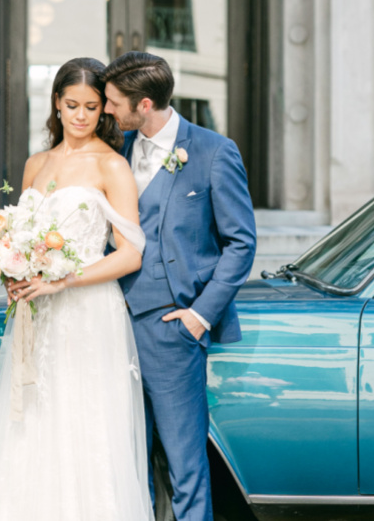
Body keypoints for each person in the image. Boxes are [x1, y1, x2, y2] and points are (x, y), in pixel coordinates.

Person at [0, 57, 154, 521]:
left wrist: (60, 281)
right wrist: (11, 269)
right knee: (31, 424)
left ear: (104, 110)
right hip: (38, 315)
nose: (81, 116)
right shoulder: (35, 164)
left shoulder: (112, 166)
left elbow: (130, 254)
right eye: (72, 105)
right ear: (56, 105)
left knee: (83, 424)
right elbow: (21, 232)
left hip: (87, 312)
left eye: (91, 106)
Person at [104, 51, 257, 521]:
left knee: (185, 465)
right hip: (111, 325)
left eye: (113, 102)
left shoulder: (213, 151)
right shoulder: (117, 150)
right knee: (128, 465)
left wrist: (198, 316)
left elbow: (241, 243)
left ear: (143, 104)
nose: (107, 110)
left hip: (173, 328)